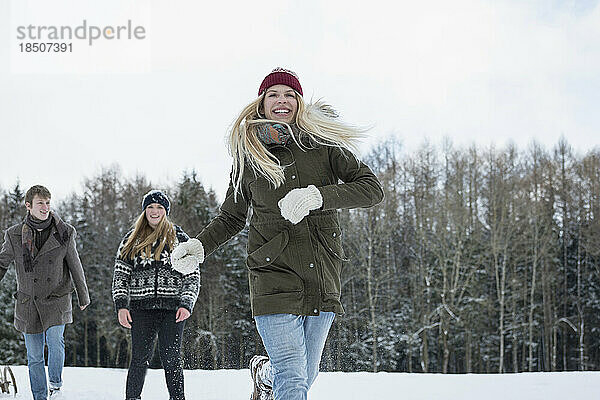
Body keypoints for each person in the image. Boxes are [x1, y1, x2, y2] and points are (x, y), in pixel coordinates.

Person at [172, 68, 384, 400]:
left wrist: (318, 197)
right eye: (273, 95)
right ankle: (275, 375)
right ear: (262, 103)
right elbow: (232, 216)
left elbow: (372, 190)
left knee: (305, 372)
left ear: (298, 101)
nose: (281, 101)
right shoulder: (249, 155)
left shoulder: (325, 145)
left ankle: (264, 375)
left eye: (289, 94)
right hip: (273, 272)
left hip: (322, 273)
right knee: (294, 375)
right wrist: (199, 246)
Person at [0, 184, 90, 400]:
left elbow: (75, 265)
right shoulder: (14, 235)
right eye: (41, 202)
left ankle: (56, 386)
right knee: (34, 356)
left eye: (48, 202)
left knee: (56, 341)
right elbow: (2, 263)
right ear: (28, 205)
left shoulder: (64, 232)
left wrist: (83, 294)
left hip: (56, 298)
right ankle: (40, 396)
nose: (45, 207)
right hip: (28, 302)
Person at [112, 189, 200, 400]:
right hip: (141, 310)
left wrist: (186, 303)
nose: (154, 211)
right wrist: (121, 305)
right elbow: (120, 276)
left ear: (165, 211)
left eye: (159, 207)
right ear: (144, 210)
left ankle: (177, 398)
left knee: (171, 358)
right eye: (150, 207)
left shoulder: (179, 237)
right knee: (140, 358)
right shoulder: (131, 239)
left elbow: (193, 273)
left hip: (173, 310)